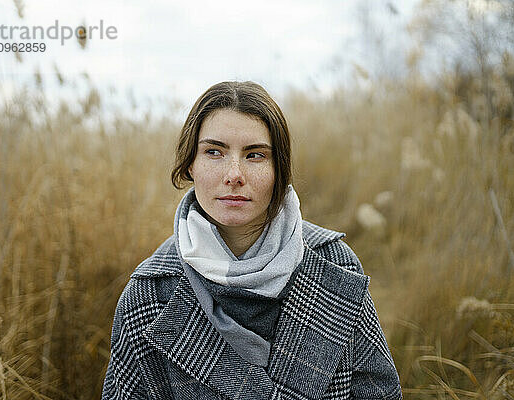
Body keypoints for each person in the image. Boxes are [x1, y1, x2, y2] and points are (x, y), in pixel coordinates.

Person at [101, 81, 402, 400]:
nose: (234, 174)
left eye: (255, 155)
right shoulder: (149, 294)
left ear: (279, 169)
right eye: (214, 152)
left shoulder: (335, 263)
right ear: (191, 164)